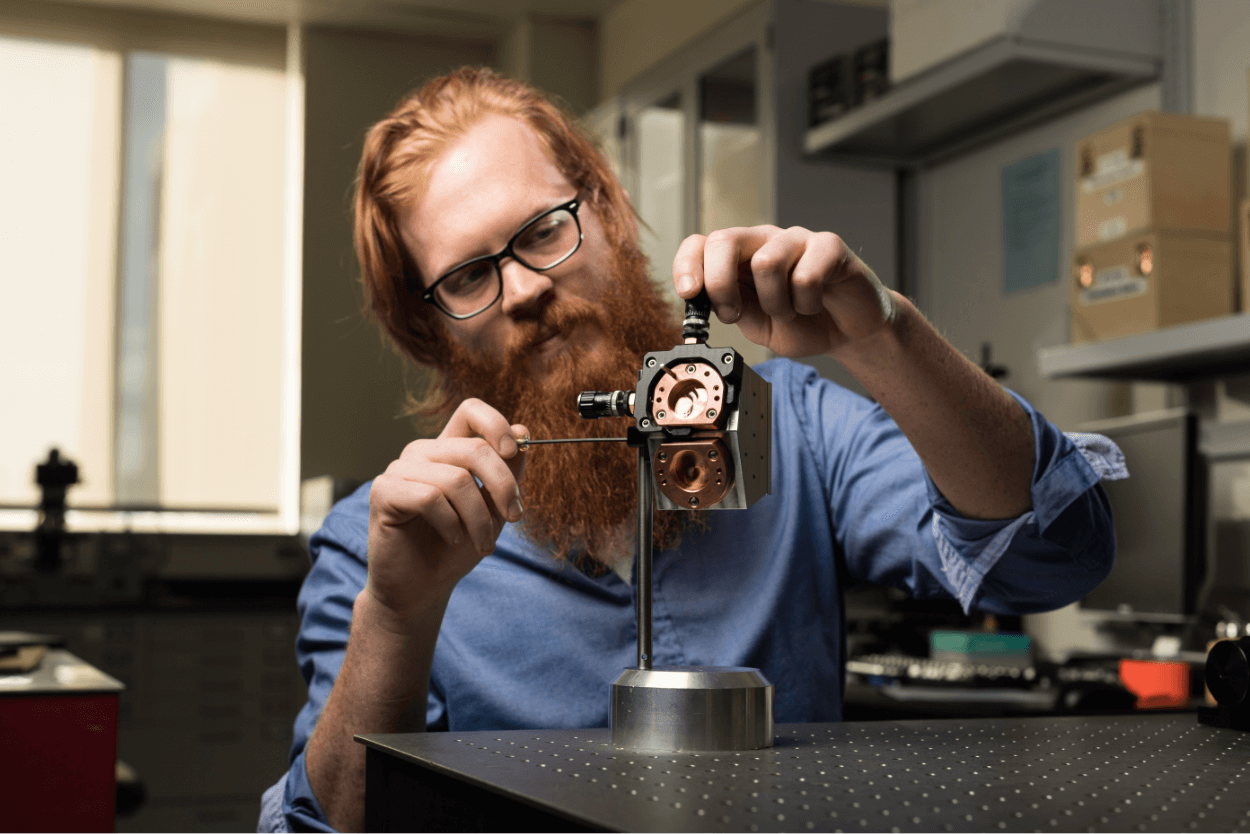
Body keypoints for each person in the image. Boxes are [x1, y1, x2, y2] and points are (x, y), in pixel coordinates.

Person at [258, 67, 1124, 834]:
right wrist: (399, 615)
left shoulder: (804, 435)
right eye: (468, 276)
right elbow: (327, 825)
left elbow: (1052, 558)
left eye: (540, 232)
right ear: (427, 326)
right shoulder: (384, 551)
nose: (522, 289)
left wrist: (881, 336)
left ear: (604, 211)